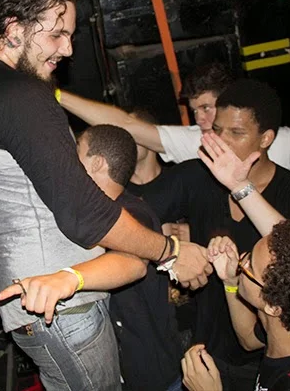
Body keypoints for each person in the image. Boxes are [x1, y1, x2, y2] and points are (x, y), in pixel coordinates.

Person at [0, 0, 212, 390]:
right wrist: (169, 250)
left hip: (33, 299)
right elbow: (85, 216)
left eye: (70, 36)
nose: (68, 50)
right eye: (57, 34)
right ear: (13, 29)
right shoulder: (19, 94)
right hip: (63, 307)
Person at [164, 80, 290, 389]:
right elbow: (136, 209)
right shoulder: (197, 177)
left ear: (266, 138)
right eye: (217, 130)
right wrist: (169, 248)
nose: (222, 142)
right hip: (212, 351)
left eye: (236, 133)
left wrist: (239, 186)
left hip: (270, 362)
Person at [59, 63, 290, 179]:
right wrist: (56, 96)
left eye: (206, 108)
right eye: (195, 111)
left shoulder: (282, 140)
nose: (200, 119)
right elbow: (128, 125)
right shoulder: (196, 141)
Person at [182, 218, 290, 391]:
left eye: (250, 267)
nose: (241, 262)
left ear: (273, 307)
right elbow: (249, 339)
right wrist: (231, 281)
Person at [75, 124, 183, 391]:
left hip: (152, 372)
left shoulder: (134, 216)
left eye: (77, 152)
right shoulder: (105, 212)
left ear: (97, 163)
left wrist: (68, 279)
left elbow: (133, 263)